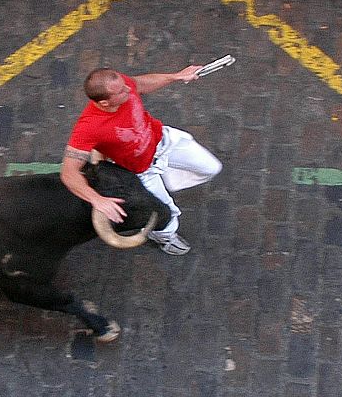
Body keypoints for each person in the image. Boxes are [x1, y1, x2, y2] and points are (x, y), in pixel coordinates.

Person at [60, 66, 222, 255]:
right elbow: (68, 172)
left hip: (164, 141)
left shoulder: (123, 84)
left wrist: (176, 76)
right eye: (121, 91)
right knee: (167, 216)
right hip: (143, 171)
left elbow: (141, 83)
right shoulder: (88, 128)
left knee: (211, 168)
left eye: (124, 84)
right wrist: (97, 200)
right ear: (104, 103)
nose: (128, 89)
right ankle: (164, 237)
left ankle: (167, 180)